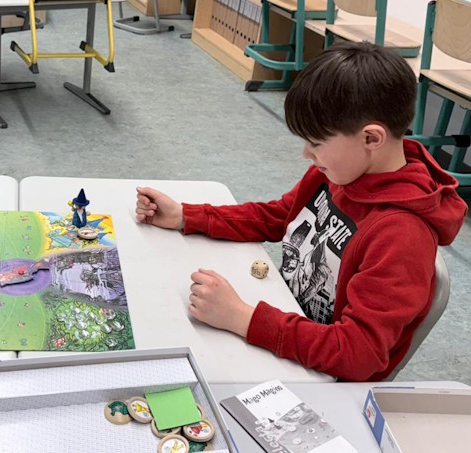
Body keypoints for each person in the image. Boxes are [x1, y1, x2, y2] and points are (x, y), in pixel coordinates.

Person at [135, 42, 467, 381]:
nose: (306, 153)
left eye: (317, 142)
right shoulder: (341, 172)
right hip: (288, 330)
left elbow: (357, 353)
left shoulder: (402, 236)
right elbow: (280, 216)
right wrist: (185, 215)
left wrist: (243, 318)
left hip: (327, 382)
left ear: (371, 138)